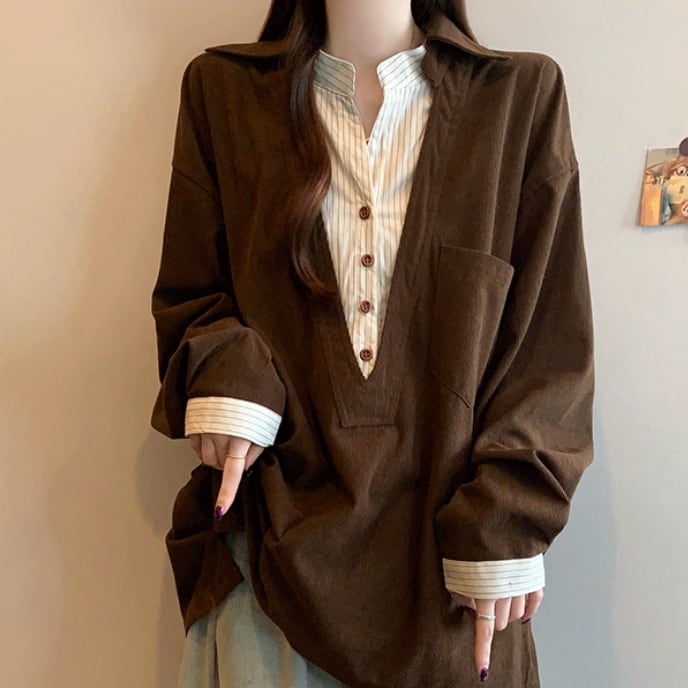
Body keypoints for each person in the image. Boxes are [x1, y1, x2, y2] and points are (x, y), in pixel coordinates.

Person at [150, 0, 595, 686]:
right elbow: (193, 295)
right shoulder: (223, 93)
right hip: (268, 581)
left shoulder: (520, 99)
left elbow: (550, 346)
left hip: (457, 586)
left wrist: (511, 516)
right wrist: (228, 379)